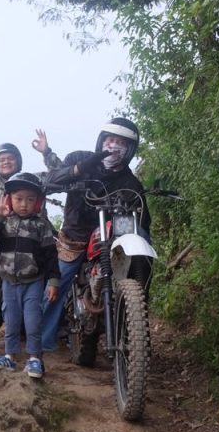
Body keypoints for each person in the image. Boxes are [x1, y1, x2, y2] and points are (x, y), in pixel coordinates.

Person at [39, 117, 150, 352]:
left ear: (129, 149)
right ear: (101, 142)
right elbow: (52, 179)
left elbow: (142, 221)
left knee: (141, 250)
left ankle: (136, 324)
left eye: (121, 143)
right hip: (75, 235)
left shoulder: (131, 183)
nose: (113, 146)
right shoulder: (80, 158)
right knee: (57, 282)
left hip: (111, 238)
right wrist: (80, 169)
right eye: (110, 140)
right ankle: (41, 342)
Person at [0, 172, 59, 378]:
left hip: (33, 282)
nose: (24, 204)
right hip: (9, 282)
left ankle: (34, 359)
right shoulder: (4, 222)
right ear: (9, 200)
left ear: (38, 202)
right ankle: (10, 356)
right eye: (18, 199)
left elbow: (51, 256)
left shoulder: (41, 225)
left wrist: (53, 281)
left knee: (33, 321)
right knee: (11, 320)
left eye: (30, 199)